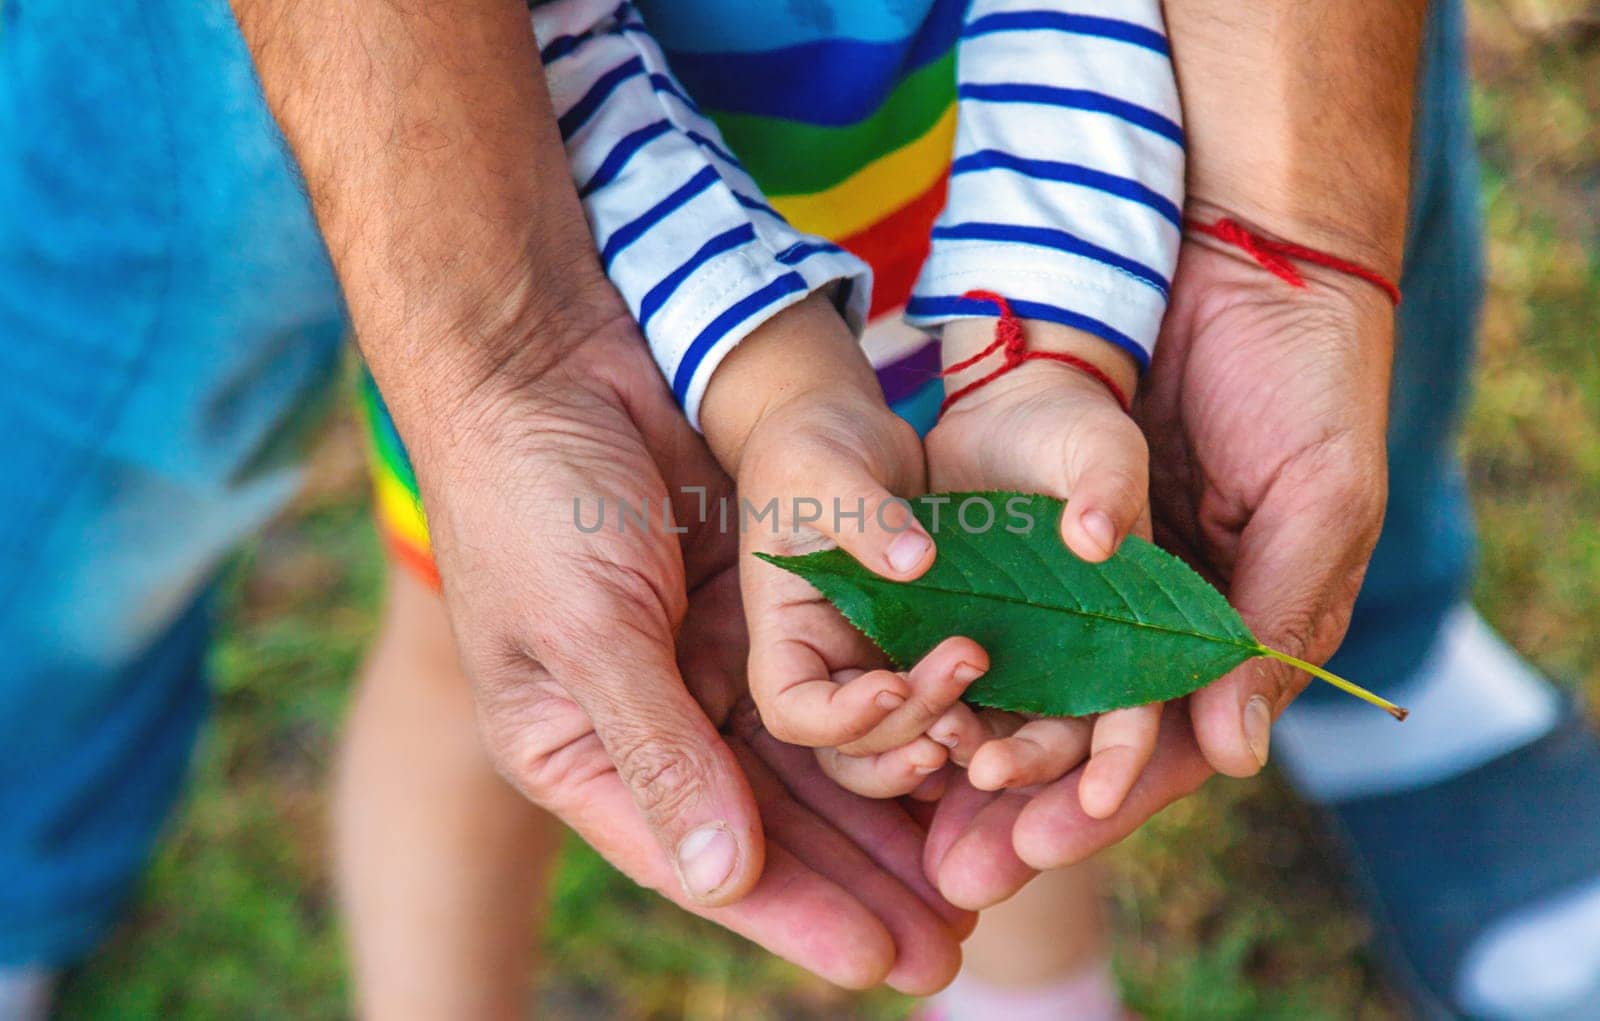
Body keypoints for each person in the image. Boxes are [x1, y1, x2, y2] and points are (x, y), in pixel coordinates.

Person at [3, 2, 1598, 1021]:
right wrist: (769, 386)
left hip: (994, 254)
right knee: (490, 679)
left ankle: (1037, 998)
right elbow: (539, 59)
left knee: (1006, 671)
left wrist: (1054, 342)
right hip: (599, 294)